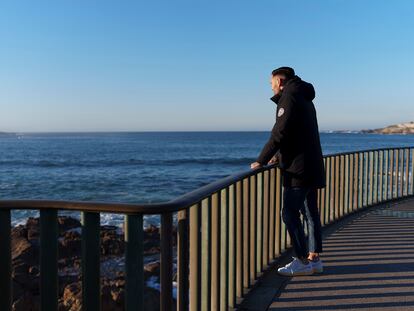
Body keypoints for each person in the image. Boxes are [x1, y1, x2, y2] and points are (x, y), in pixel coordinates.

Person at [250, 67, 325, 276]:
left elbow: (280, 132)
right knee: (310, 213)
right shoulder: (304, 96)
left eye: (271, 83)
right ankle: (314, 259)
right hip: (311, 165)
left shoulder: (289, 96)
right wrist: (279, 156)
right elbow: (297, 134)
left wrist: (261, 160)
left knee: (289, 213)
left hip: (298, 169)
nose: (271, 87)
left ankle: (301, 260)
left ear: (280, 81)